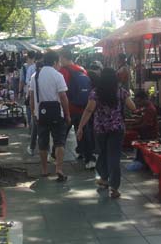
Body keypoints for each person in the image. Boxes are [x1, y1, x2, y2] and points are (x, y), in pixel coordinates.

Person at [77, 68, 136, 199]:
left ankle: (104, 178)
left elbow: (88, 110)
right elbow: (133, 107)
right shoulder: (121, 92)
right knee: (114, 157)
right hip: (117, 129)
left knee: (102, 154)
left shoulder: (95, 93)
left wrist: (80, 127)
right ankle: (114, 187)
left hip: (100, 130)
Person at [29, 50, 71, 181]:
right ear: (54, 61)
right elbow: (63, 97)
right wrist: (68, 115)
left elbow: (31, 98)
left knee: (42, 143)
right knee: (59, 142)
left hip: (41, 115)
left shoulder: (35, 76)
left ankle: (44, 169)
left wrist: (33, 113)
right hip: (57, 114)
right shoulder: (58, 76)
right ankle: (58, 168)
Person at [58, 48, 95, 169]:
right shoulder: (82, 69)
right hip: (83, 108)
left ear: (63, 57)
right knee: (83, 131)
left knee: (62, 134)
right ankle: (88, 157)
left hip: (69, 108)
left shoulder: (63, 71)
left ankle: (56, 157)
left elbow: (62, 91)